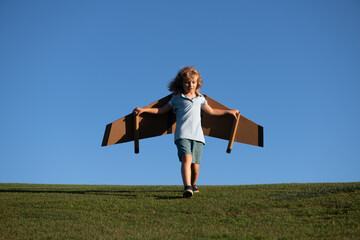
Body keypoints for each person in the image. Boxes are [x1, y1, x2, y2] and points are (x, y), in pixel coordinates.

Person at [134, 66, 239, 198]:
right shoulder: (176, 98)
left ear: (197, 84)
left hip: (198, 137)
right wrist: (144, 110)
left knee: (195, 166)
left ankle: (193, 185)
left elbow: (212, 111)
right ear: (182, 83)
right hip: (182, 135)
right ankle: (187, 187)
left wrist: (229, 111)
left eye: (193, 82)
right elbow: (161, 110)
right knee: (186, 159)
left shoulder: (201, 98)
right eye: (187, 82)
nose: (190, 85)